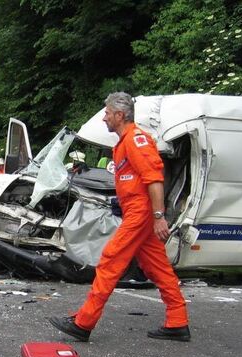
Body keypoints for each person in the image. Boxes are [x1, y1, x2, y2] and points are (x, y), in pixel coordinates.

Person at [48, 92, 190, 342]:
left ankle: (84, 322)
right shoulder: (125, 142)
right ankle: (178, 321)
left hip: (141, 213)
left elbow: (155, 180)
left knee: (110, 261)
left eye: (107, 113)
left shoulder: (136, 140)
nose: (104, 118)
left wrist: (158, 216)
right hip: (137, 213)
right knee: (157, 268)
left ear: (120, 115)